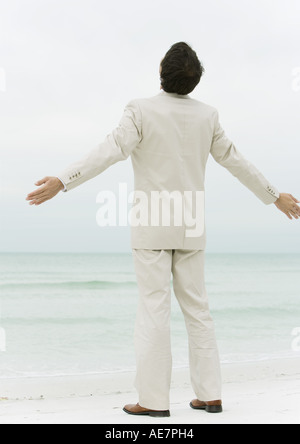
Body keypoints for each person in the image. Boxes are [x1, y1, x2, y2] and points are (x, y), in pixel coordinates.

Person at [26, 42, 300, 417]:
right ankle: (211, 395)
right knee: (198, 310)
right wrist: (274, 196)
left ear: (162, 70)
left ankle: (153, 402)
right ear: (195, 79)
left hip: (152, 226)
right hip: (190, 225)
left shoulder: (140, 109)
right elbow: (237, 163)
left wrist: (62, 179)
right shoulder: (208, 116)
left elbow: (108, 150)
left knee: (154, 311)